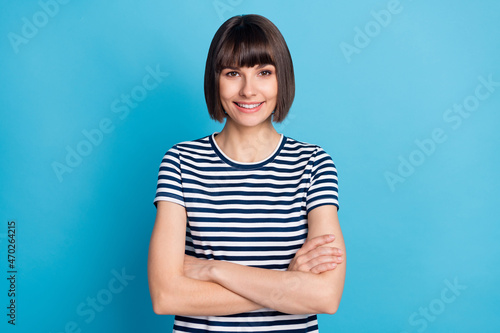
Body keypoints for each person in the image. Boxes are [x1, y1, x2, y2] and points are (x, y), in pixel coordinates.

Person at [148, 14, 346, 332]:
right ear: (215, 80)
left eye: (264, 72)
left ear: (283, 79)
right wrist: (289, 284)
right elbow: (166, 295)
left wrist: (214, 270)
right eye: (232, 73)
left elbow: (325, 296)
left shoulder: (313, 164)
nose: (248, 90)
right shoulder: (181, 162)